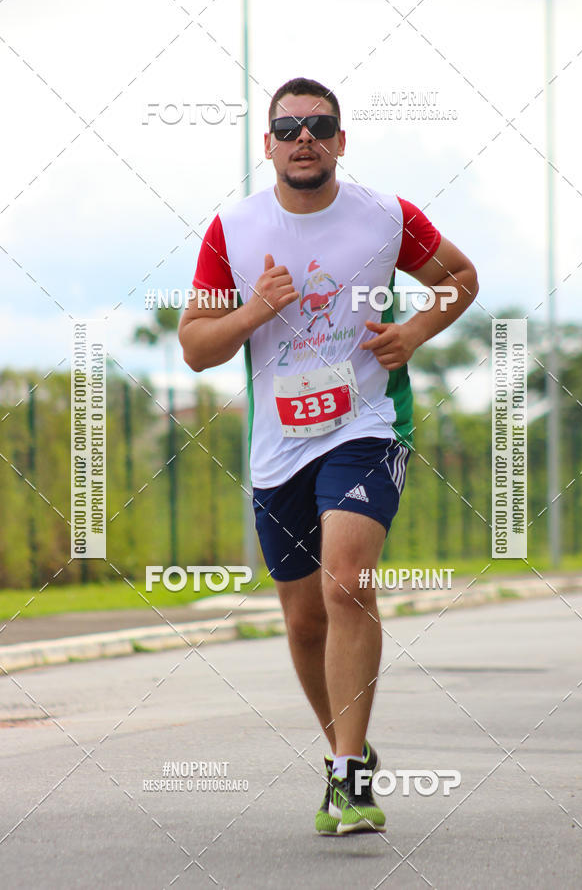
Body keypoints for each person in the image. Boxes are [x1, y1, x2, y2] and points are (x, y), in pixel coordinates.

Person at [179, 77, 478, 835]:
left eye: (319, 126)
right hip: (279, 448)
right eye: (288, 128)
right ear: (269, 145)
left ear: (342, 140)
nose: (303, 139)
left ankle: (347, 778)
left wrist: (412, 333)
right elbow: (195, 348)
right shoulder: (234, 229)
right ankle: (347, 747)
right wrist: (253, 311)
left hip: (366, 425)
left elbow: (459, 279)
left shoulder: (385, 216)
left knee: (347, 582)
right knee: (305, 619)